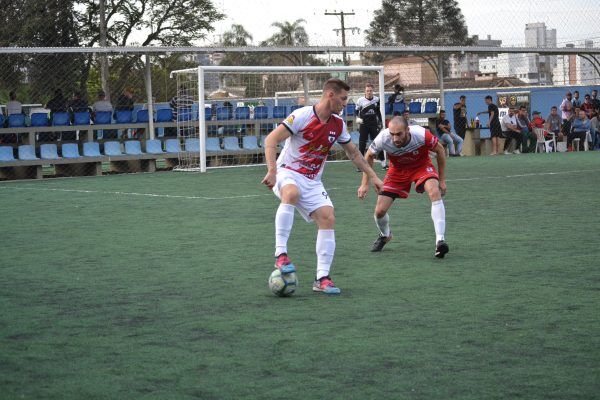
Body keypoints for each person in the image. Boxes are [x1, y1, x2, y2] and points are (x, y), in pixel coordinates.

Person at [261, 78, 384, 295]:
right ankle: (280, 255)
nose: (346, 103)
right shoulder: (302, 116)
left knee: (328, 217)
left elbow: (354, 153)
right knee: (291, 193)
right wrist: (272, 170)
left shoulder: (338, 124)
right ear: (330, 95)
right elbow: (271, 140)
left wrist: (373, 176)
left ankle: (322, 278)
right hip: (287, 171)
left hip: (312, 180)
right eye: (343, 98)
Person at [357, 116, 449, 258]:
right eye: (392, 134)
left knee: (434, 191)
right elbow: (368, 156)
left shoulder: (421, 134)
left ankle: (440, 241)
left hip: (421, 166)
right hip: (397, 171)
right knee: (379, 212)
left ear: (407, 130)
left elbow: (440, 150)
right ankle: (385, 235)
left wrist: (442, 180)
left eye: (399, 134)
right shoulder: (383, 138)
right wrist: (364, 183)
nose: (395, 138)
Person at [356, 83, 385, 168]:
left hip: (373, 124)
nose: (369, 92)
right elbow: (356, 111)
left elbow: (378, 111)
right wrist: (357, 119)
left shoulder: (377, 99)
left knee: (378, 143)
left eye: (370, 91)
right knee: (362, 144)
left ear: (373, 91)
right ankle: (360, 165)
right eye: (367, 91)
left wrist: (380, 122)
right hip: (364, 125)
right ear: (365, 91)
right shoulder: (360, 100)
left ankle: (383, 163)